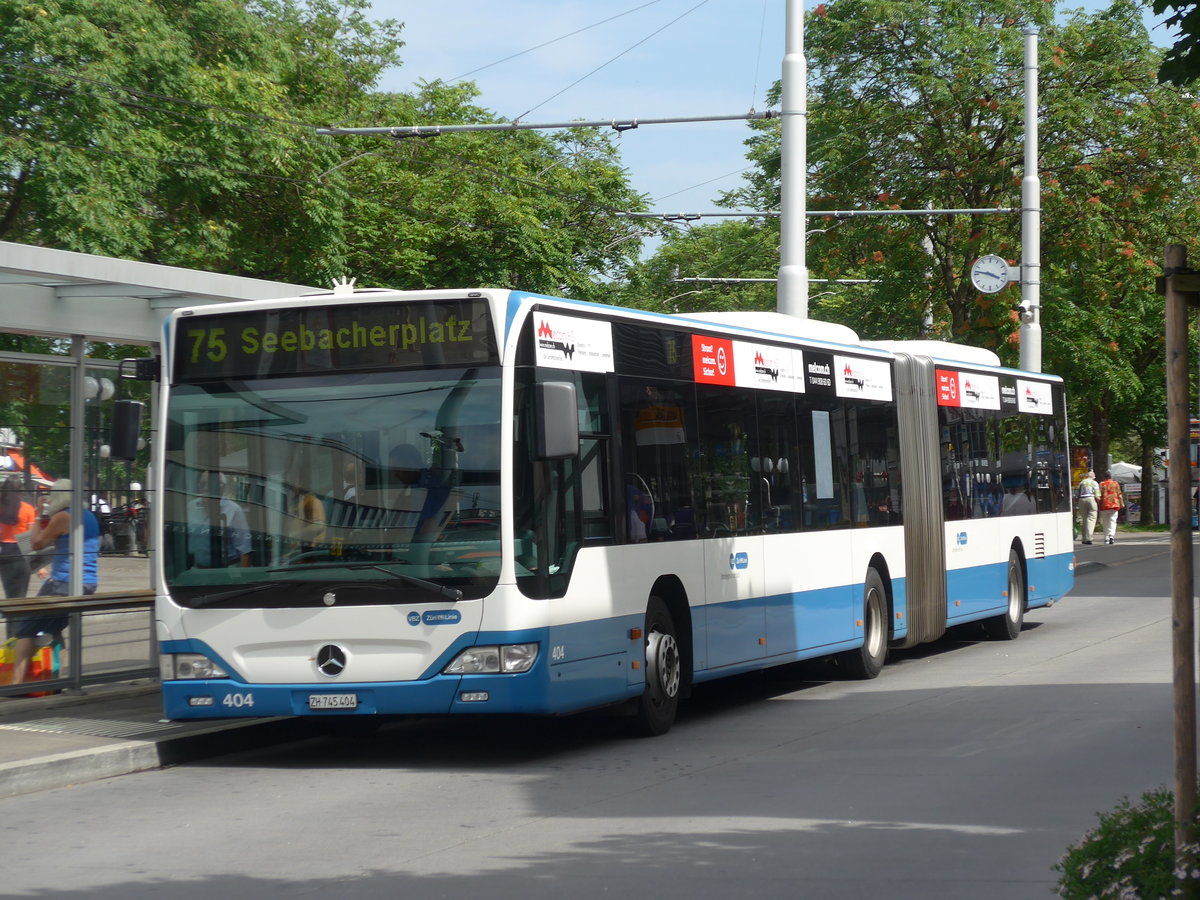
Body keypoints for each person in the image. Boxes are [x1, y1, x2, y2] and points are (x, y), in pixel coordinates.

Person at [10, 478, 99, 684]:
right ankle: (57, 678)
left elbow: (37, 542)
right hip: (88, 582)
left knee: (26, 628)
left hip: (64, 583)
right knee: (53, 627)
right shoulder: (89, 516)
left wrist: (37, 514)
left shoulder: (63, 516)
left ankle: (15, 684)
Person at [187, 471, 252, 567]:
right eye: (202, 484)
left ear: (223, 488)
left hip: (227, 570)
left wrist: (242, 578)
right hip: (197, 570)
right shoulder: (191, 507)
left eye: (210, 484)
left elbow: (245, 550)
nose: (206, 487)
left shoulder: (234, 510)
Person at [0, 478, 36, 599]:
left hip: (4, 551)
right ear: (20, 491)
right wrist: (37, 563)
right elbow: (30, 537)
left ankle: (11, 617)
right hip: (22, 551)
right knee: (21, 595)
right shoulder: (28, 509)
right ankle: (17, 618)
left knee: (10, 594)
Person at [1098, 470, 1125, 545]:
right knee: (1112, 521)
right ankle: (1111, 536)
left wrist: (1098, 504)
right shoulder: (1115, 483)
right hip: (1114, 505)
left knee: (1105, 522)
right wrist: (1122, 503)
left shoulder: (1101, 484)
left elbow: (1099, 495)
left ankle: (1106, 538)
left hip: (1104, 505)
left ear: (1105, 476)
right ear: (1111, 476)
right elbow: (1119, 494)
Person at [1076, 469, 1099, 544]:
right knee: (1091, 519)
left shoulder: (1081, 482)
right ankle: (1089, 538)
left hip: (1081, 500)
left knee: (1084, 519)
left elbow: (1077, 493)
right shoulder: (1094, 482)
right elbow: (1097, 495)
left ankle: (1084, 539)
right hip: (1091, 499)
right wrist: (1098, 503)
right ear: (1093, 477)